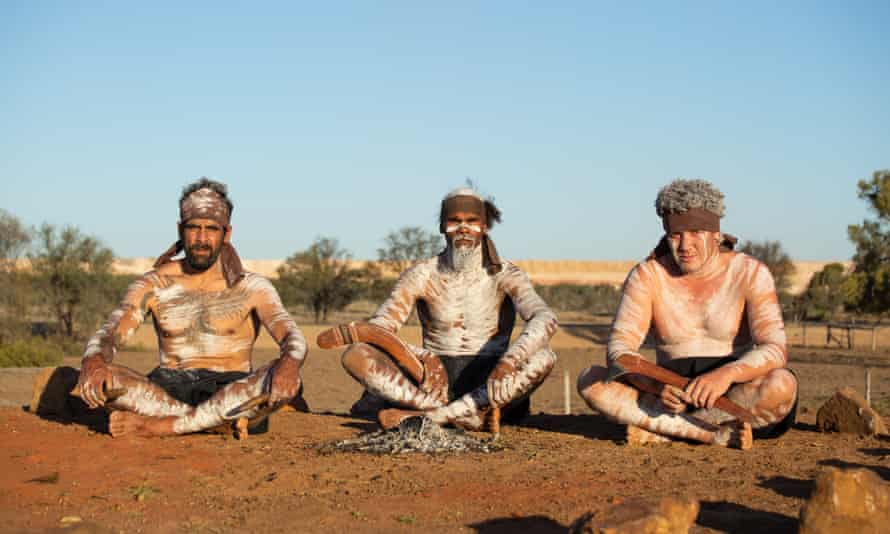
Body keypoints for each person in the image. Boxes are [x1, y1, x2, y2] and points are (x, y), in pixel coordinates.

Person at [75, 178, 307, 437]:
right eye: (193, 228)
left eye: (211, 229)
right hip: (166, 388)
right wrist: (93, 361)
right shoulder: (154, 283)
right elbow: (111, 330)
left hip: (231, 387)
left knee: (286, 377)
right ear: (180, 229)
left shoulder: (252, 287)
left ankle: (162, 425)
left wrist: (288, 365)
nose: (201, 238)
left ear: (226, 233)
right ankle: (212, 423)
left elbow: (291, 336)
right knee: (108, 379)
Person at [577, 179, 798, 448]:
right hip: (669, 398)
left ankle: (663, 432)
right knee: (591, 380)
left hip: (733, 394)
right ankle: (712, 435)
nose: (685, 245)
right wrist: (656, 386)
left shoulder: (750, 272)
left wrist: (726, 375)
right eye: (676, 235)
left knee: (782, 385)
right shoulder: (647, 276)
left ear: (716, 235)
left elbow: (775, 348)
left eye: (696, 232)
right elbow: (619, 351)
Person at [341, 187, 558, 430]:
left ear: (484, 226)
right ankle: (462, 416)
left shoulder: (505, 274)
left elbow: (545, 317)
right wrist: (423, 356)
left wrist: (509, 361)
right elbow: (379, 330)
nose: (463, 228)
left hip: (492, 381)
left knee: (544, 357)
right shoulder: (422, 274)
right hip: (432, 384)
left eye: (471, 221)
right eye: (454, 221)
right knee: (356, 354)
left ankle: (436, 417)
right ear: (443, 227)